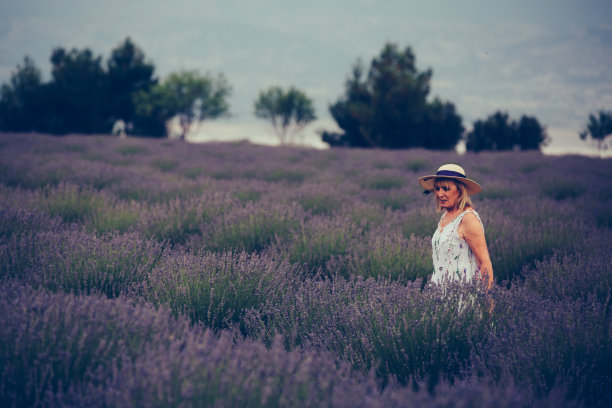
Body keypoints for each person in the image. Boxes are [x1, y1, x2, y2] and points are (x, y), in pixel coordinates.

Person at [418, 164, 493, 290]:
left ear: (460, 190)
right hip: (439, 293)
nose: (439, 194)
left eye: (446, 189)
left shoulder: (468, 218)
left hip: (462, 294)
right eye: (437, 189)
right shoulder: (446, 216)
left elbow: (484, 262)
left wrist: (489, 301)